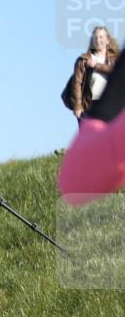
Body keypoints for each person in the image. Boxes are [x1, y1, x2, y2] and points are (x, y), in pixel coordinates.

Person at [59, 52, 125, 204]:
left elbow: (73, 181)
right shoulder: (84, 59)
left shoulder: (113, 60)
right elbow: (77, 81)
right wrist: (77, 105)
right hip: (95, 106)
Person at [70, 26, 119, 124]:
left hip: (109, 103)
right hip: (90, 105)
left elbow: (116, 71)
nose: (98, 40)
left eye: (101, 37)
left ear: (107, 40)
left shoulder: (115, 60)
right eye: (95, 37)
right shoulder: (84, 60)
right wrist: (78, 107)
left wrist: (96, 65)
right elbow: (76, 83)